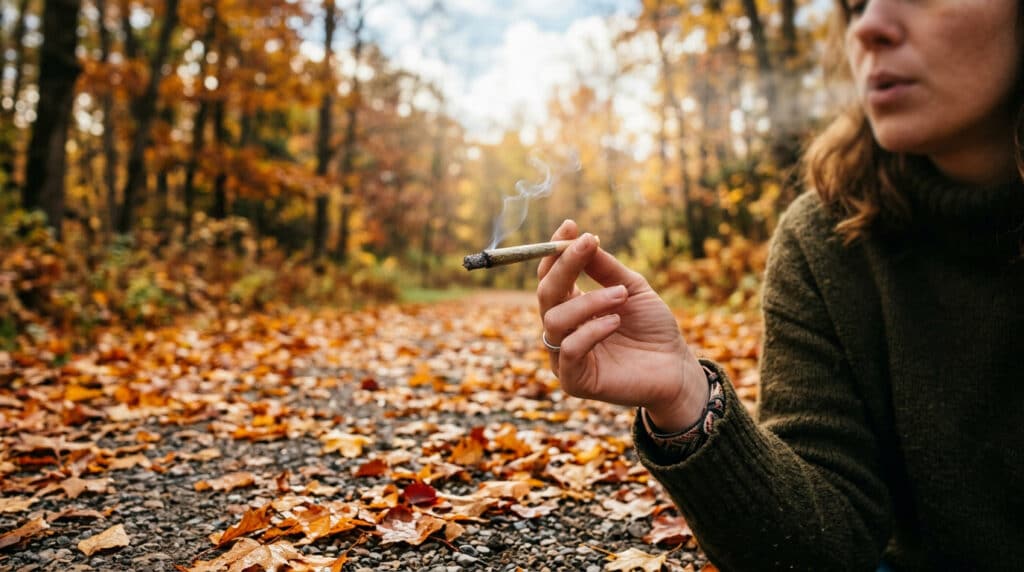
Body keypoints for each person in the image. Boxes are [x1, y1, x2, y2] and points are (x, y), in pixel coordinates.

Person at [535, 0, 1024, 570]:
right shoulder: (829, 236)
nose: (868, 26)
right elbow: (823, 546)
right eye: (855, 4)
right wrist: (685, 399)